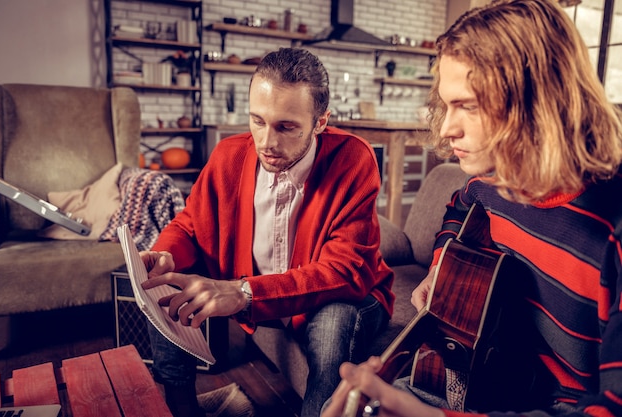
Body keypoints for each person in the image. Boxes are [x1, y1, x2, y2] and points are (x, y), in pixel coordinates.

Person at [322, 1, 622, 416]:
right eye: (446, 105)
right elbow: (460, 207)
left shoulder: (613, 230)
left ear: (538, 101)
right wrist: (440, 269)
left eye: (470, 105)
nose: (446, 128)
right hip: (489, 379)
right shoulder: (494, 180)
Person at [139, 47, 394, 417]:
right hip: (263, 295)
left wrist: (243, 292)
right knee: (164, 283)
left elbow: (345, 272)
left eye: (286, 127)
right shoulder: (228, 155)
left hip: (334, 296)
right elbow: (189, 224)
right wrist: (166, 254)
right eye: (257, 121)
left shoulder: (354, 159)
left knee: (333, 324)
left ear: (321, 122)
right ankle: (181, 408)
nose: (266, 142)